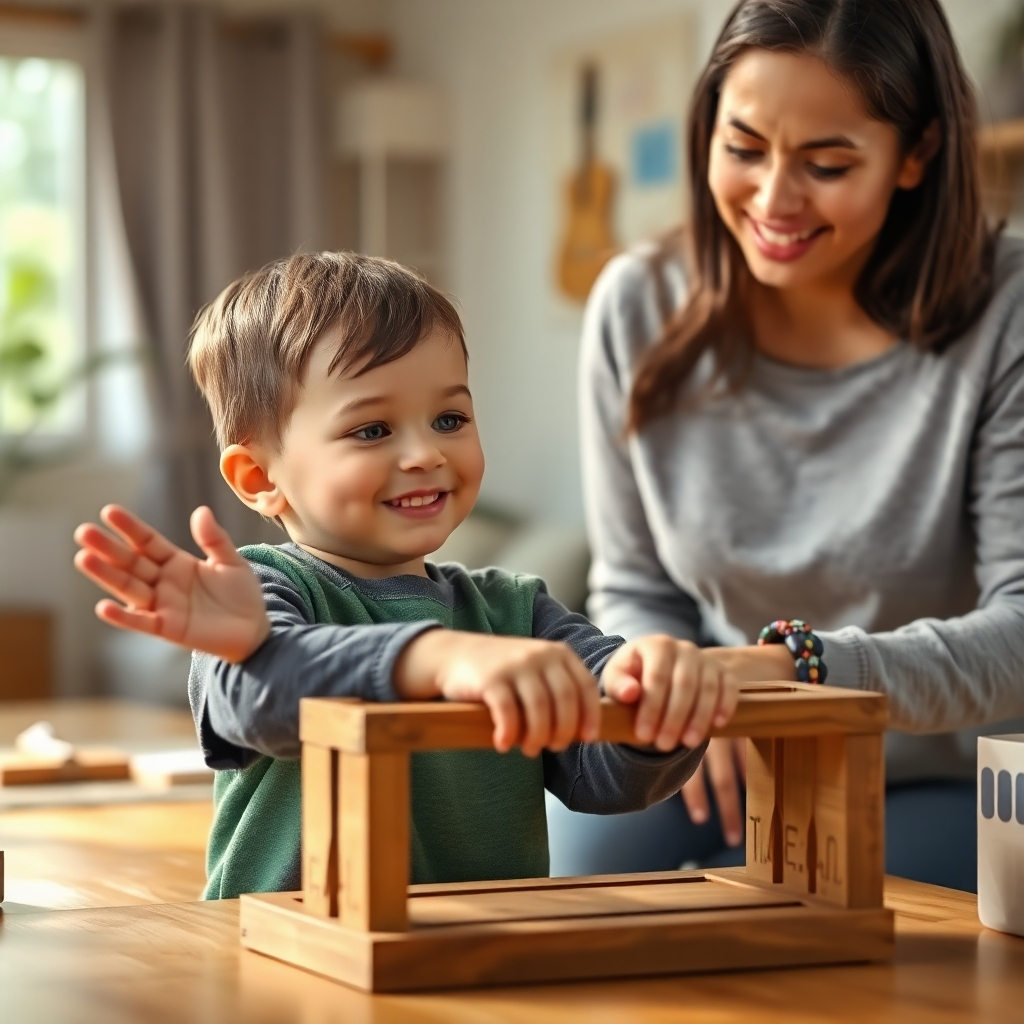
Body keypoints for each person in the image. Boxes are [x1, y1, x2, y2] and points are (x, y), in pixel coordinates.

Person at [73, 251, 749, 900]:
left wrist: (655, 698)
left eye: (449, 418)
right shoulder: (258, 593)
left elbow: (606, 780)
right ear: (260, 477)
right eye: (372, 430)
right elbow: (256, 697)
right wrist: (436, 657)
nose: (426, 453)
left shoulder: (518, 613)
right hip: (285, 964)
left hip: (476, 960)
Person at [547, 0, 1024, 891]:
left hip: (927, 765)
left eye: (828, 163)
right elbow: (636, 582)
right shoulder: (635, 304)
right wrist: (679, 694)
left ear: (916, 154)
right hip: (705, 742)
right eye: (744, 148)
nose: (773, 199)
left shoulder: (1007, 315)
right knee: (542, 886)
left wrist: (781, 677)